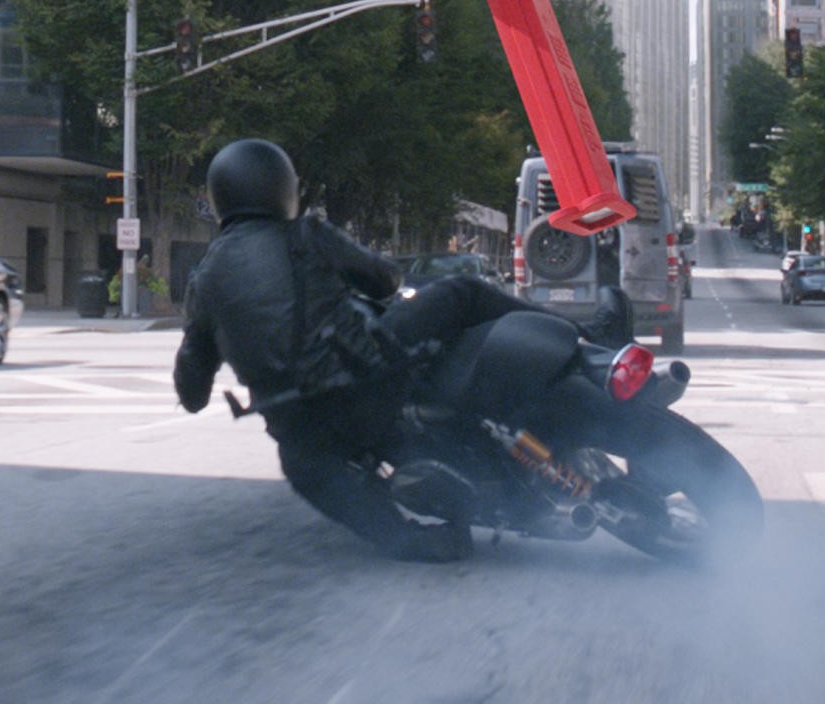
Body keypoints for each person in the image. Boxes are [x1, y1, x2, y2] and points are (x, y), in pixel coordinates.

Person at [173, 138, 629, 563]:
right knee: (462, 291)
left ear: (221, 198)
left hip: (305, 428)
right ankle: (588, 333)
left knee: (307, 473)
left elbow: (192, 390)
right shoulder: (305, 236)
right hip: (372, 383)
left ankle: (414, 540)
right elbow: (384, 280)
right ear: (280, 188)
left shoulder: (205, 281)